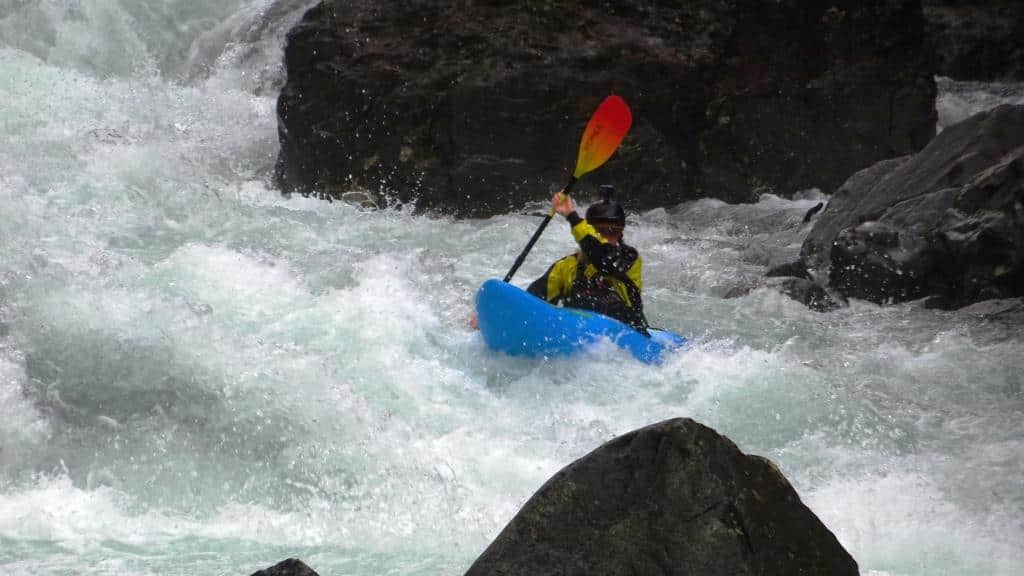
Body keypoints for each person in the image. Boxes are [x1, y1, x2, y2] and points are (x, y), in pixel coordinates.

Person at [527, 185, 650, 334]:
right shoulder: (566, 266)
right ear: (590, 231)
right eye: (600, 230)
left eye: (613, 231)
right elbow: (533, 303)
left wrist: (572, 216)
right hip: (579, 340)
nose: (606, 236)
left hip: (628, 340)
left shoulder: (629, 260)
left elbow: (602, 259)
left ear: (621, 234)